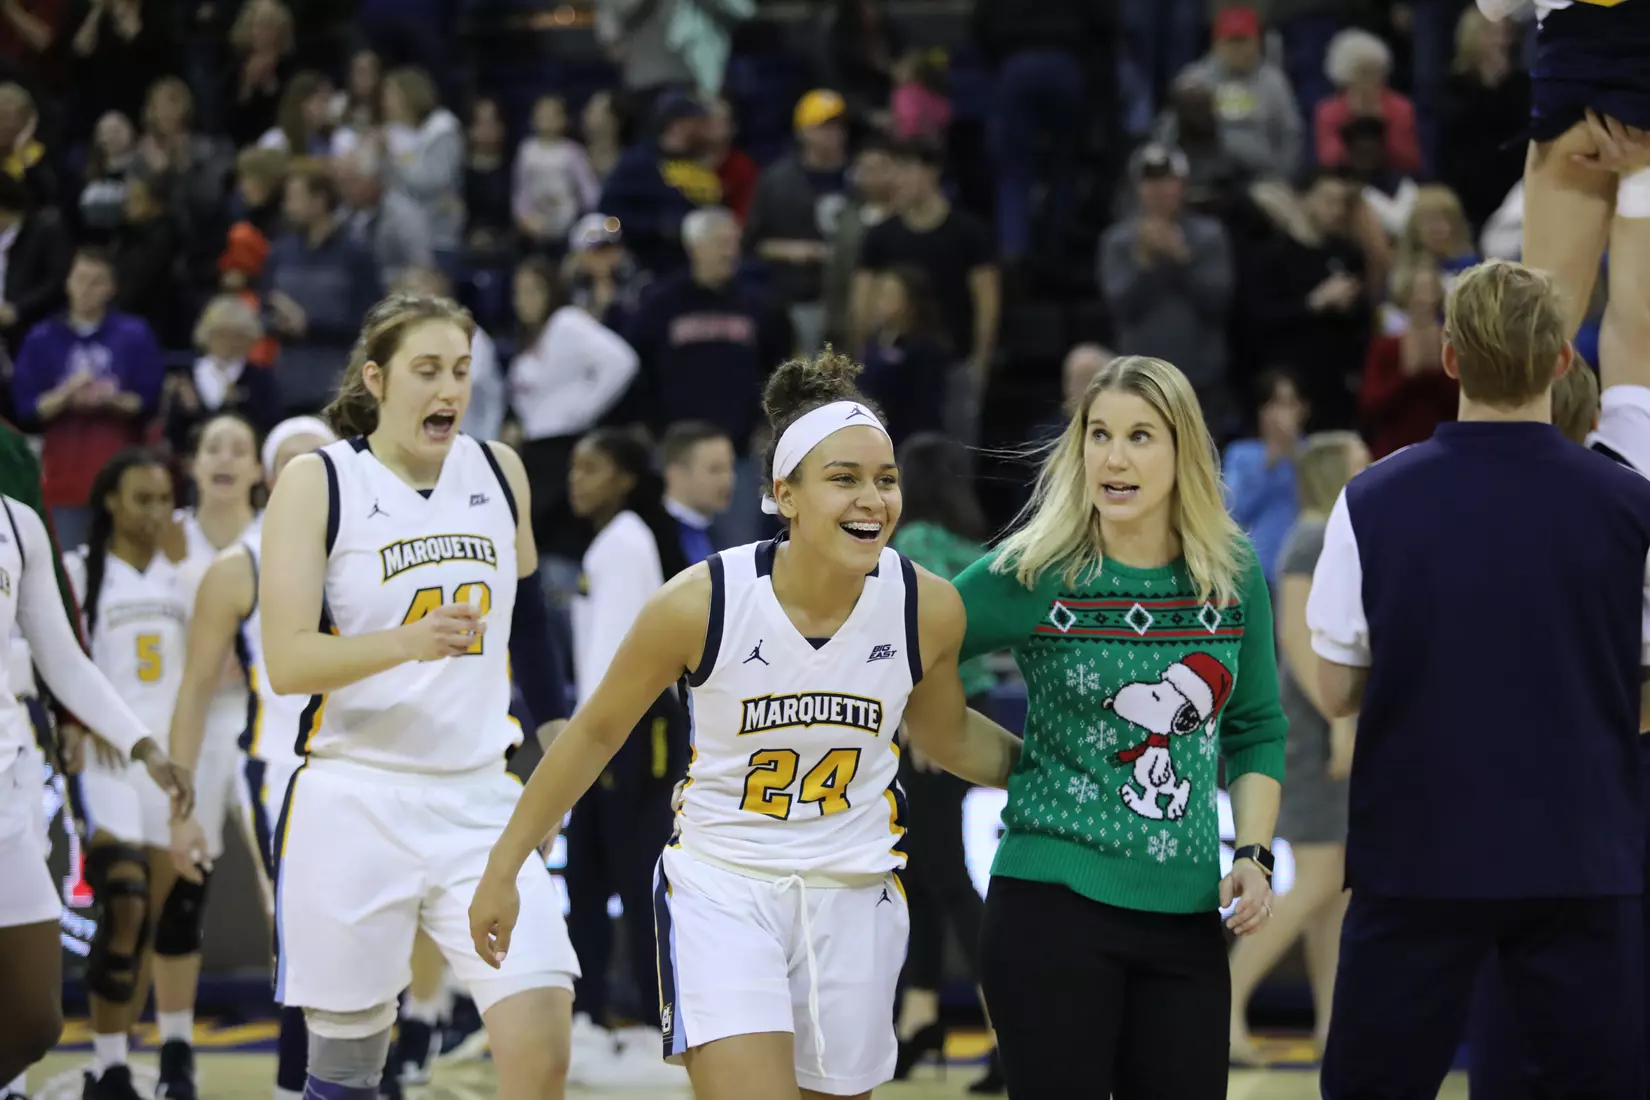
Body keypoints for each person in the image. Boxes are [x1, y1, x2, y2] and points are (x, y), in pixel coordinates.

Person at [469, 351, 1022, 1100]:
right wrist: (506, 865)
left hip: (855, 888)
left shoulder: (925, 606)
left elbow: (946, 735)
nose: (874, 499)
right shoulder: (702, 602)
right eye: (845, 478)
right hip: (725, 887)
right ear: (784, 495)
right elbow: (596, 732)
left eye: (885, 479)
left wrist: (1062, 773)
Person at [1307, 259, 1650, 1099]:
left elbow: (1338, 690)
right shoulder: (1631, 505)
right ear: (1565, 360)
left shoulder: (1371, 499)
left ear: (1450, 360)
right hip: (1581, 855)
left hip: (1415, 856)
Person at [258, 294, 578, 1100]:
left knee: (541, 1041)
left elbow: (530, 622)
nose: (449, 389)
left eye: (462, 372)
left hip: (478, 798)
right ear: (377, 379)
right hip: (353, 793)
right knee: (346, 1070)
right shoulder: (318, 480)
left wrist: (560, 731)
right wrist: (408, 640)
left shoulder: (500, 470)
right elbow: (288, 662)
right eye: (427, 371)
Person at [956, 354, 1287, 1099]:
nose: (1114, 456)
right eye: (1098, 434)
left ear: (1182, 452)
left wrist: (1256, 854)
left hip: (1187, 915)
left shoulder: (1229, 572)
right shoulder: (1036, 568)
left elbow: (1258, 726)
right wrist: (996, 757)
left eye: (1140, 436)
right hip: (1049, 906)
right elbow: (914, 652)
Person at [0, 462, 190, 1090]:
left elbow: (63, 658)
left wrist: (143, 746)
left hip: (7, 788)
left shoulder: (17, 523)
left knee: (33, 1022)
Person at [167, 415, 333, 1100]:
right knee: (307, 933)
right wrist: (180, 812)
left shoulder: (377, 545)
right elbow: (195, 691)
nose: (306, 473)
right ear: (271, 475)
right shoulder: (244, 566)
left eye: (318, 459)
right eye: (291, 461)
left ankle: (365, 1075)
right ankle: (294, 1086)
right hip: (282, 764)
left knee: (372, 938)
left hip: (379, 761)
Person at [559, 427, 695, 1084]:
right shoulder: (608, 540)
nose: (576, 479)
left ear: (626, 477)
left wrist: (593, 741)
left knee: (639, 881)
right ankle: (585, 1022)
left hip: (628, 729)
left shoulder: (627, 542)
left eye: (592, 468)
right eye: (574, 468)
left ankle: (652, 1027)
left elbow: (620, 660)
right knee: (584, 881)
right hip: (603, 729)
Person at [1227, 430, 1368, 1065]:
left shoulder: (1323, 535)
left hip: (1321, 720)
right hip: (1313, 726)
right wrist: (1340, 720)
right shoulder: (1314, 536)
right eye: (1361, 462)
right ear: (1336, 471)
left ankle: (1334, 1028)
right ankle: (1225, 997)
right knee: (1320, 877)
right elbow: (1297, 636)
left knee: (1333, 892)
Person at [61, 449, 193, 1100]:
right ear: (110, 501)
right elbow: (49, 662)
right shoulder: (78, 574)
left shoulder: (182, 579)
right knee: (122, 904)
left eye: (163, 499)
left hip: (168, 768)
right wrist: (77, 726)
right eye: (141, 498)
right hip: (111, 765)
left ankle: (111, 1064)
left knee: (145, 927)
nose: (154, 511)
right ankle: (108, 1062)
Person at [146, 412, 264, 1100]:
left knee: (288, 882)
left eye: (238, 447)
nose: (224, 457)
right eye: (212, 445)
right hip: (184, 718)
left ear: (257, 469)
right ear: (192, 464)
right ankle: (175, 1049)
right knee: (180, 885)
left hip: (260, 719)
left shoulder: (280, 537)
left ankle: (309, 1038)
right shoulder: (166, 539)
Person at [884, 432, 1003, 1094]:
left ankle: (1008, 1027)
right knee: (925, 871)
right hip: (971, 704)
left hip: (927, 711)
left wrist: (923, 720)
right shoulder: (970, 546)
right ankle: (919, 1018)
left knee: (945, 877)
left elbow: (920, 636)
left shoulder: (915, 547)